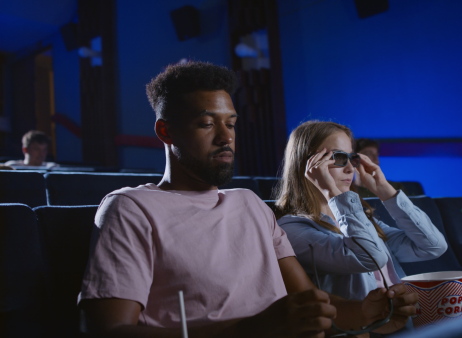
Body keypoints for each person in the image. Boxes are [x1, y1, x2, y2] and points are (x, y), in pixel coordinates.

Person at [78, 61, 418, 337]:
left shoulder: (250, 203)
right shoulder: (131, 208)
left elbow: (307, 302)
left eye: (231, 123)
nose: (226, 137)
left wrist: (365, 310)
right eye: (206, 124)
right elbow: (110, 330)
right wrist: (252, 329)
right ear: (166, 132)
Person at [275, 121, 447, 306]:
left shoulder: (361, 220)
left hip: (403, 324)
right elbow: (371, 258)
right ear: (308, 165)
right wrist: (332, 192)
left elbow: (433, 246)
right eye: (339, 157)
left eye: (352, 158)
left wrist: (384, 191)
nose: (350, 168)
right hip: (364, 331)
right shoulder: (291, 230)